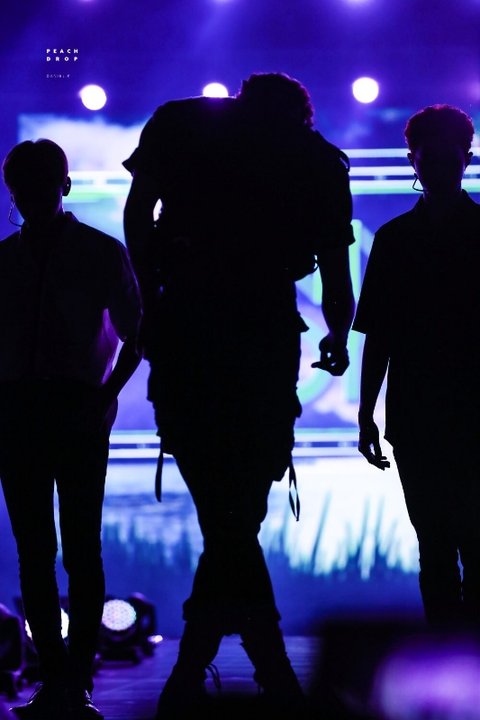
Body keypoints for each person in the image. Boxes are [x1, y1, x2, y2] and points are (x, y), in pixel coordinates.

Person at [123, 72, 355, 717]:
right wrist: (337, 335)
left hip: (189, 339)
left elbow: (137, 215)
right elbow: (336, 270)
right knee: (237, 517)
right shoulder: (314, 159)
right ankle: (266, 667)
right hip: (260, 345)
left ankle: (199, 669)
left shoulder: (180, 126)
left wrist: (151, 297)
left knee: (224, 520)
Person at [0, 139, 142, 719]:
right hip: (58, 410)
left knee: (47, 551)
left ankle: (63, 679)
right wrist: (103, 397)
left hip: (37, 410)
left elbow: (138, 336)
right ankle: (69, 682)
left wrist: (101, 397)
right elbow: (137, 336)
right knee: (70, 549)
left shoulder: (15, 259)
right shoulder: (98, 252)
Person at [354, 104, 480, 631]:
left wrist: (368, 414)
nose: (438, 169)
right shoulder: (397, 239)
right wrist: (367, 413)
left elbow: (377, 334)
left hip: (419, 413)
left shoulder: (396, 239)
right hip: (438, 413)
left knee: (438, 548)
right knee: (448, 545)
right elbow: (378, 334)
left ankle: (449, 658)